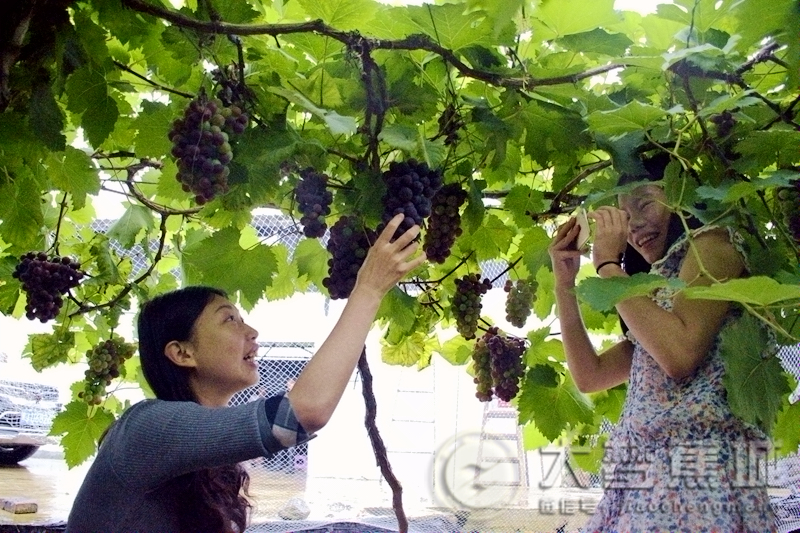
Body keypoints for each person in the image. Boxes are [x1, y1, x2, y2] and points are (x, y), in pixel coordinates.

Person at [65, 213, 426, 533]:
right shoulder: (146, 427)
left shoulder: (206, 454)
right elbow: (300, 415)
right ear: (182, 352)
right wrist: (369, 289)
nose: (251, 331)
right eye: (229, 319)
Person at [548, 154, 776, 533]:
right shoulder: (655, 294)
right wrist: (564, 285)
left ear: (684, 195)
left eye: (646, 203)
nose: (633, 225)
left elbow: (680, 354)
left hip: (698, 482)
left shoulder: (716, 245)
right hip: (644, 483)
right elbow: (590, 376)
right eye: (624, 215)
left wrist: (607, 264)